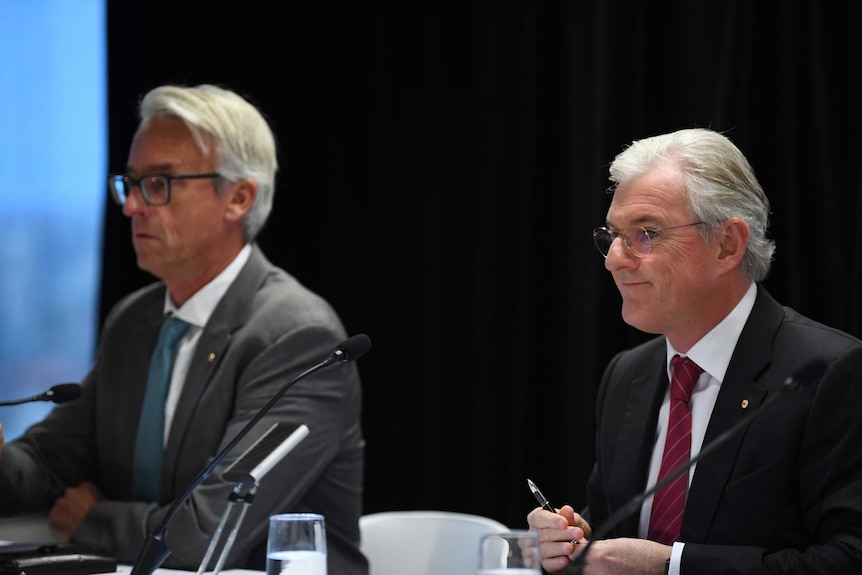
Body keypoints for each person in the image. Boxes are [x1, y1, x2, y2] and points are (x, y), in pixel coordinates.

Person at [0, 84, 368, 574]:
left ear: (237, 198)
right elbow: (50, 460)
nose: (132, 206)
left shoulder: (296, 337)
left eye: (160, 183)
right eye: (130, 183)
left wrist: (91, 521)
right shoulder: (134, 321)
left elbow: (209, 535)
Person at [527, 127, 862, 574]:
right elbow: (613, 528)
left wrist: (674, 566)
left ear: (727, 245)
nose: (613, 260)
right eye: (612, 235)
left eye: (645, 233)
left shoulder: (830, 373)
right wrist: (574, 543)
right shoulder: (628, 375)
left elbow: (849, 557)